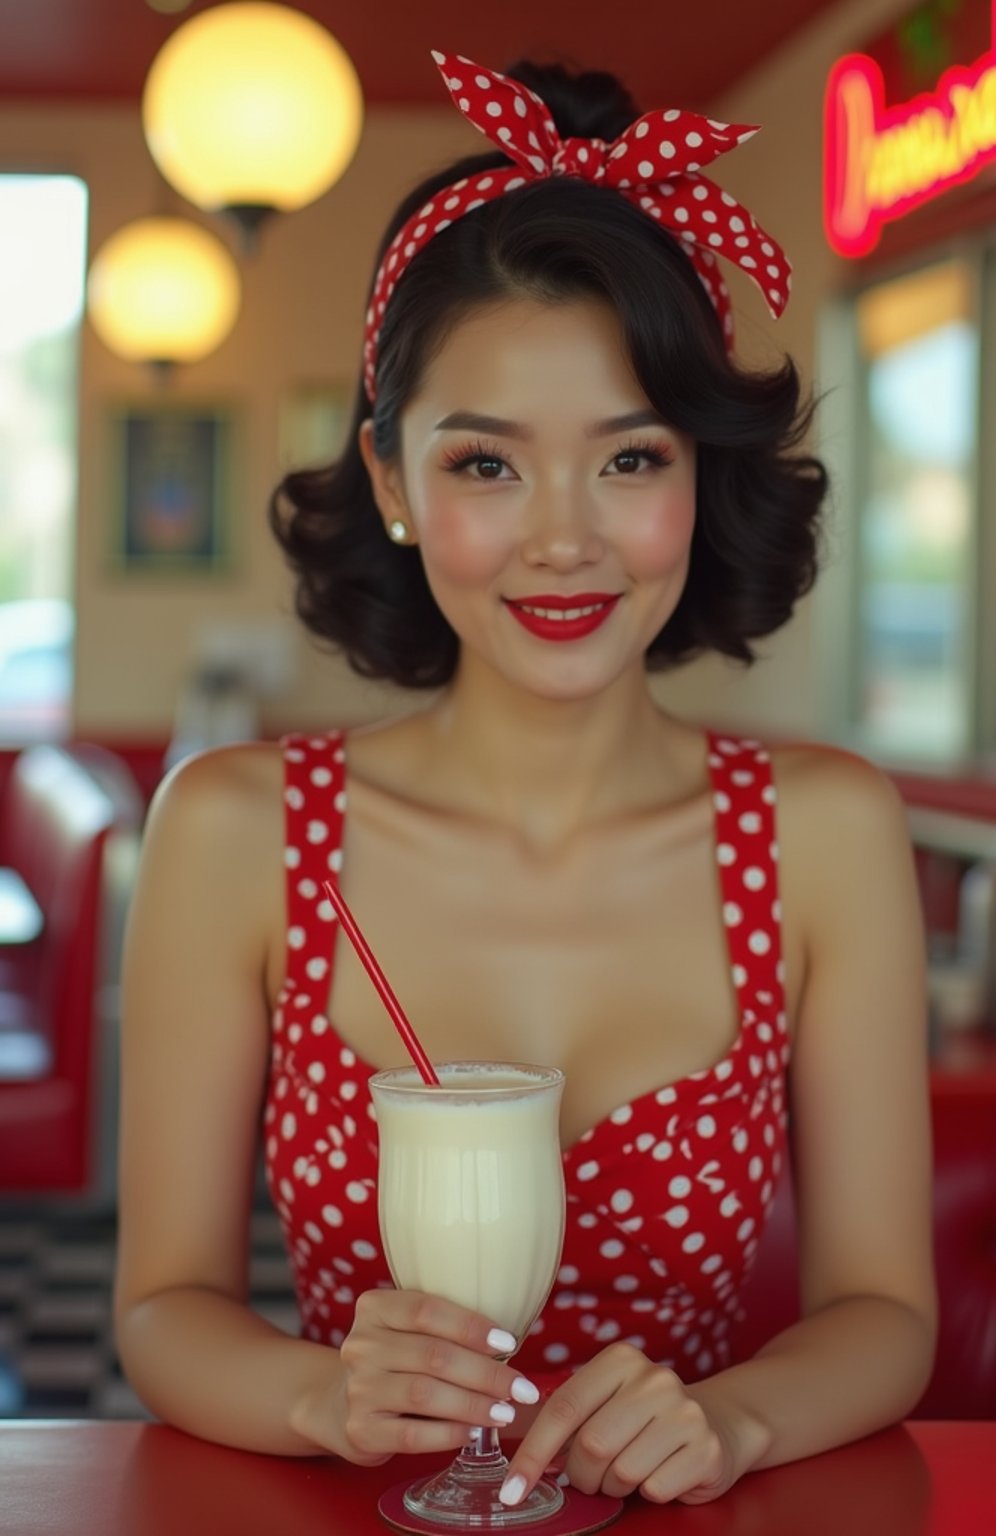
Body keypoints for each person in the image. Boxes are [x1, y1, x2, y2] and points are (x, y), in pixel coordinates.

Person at [115, 48, 937, 1510]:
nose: (565, 539)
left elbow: (886, 1314)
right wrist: (320, 1394)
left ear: (701, 472)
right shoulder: (243, 832)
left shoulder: (820, 833)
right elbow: (162, 1305)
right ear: (391, 481)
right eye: (488, 466)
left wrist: (734, 1421)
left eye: (630, 461)